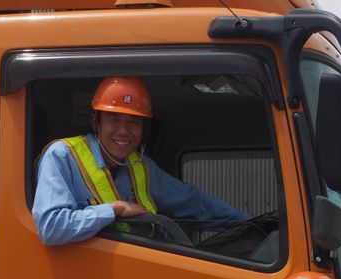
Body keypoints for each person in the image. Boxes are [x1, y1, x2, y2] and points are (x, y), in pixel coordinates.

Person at [32, 76, 249, 245]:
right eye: (114, 120)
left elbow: (191, 201)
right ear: (95, 122)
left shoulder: (140, 165)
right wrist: (115, 209)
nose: (124, 131)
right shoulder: (62, 155)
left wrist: (248, 223)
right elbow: (51, 228)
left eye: (134, 122)